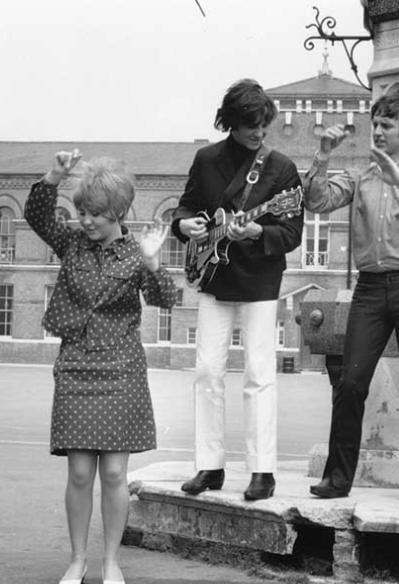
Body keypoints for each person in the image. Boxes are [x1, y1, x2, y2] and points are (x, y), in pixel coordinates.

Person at [25, 150, 177, 584]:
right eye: (81, 212)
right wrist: (54, 176)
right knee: (78, 474)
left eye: (95, 214)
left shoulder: (136, 252)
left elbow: (168, 298)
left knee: (113, 474)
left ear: (118, 213)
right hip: (76, 364)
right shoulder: (71, 243)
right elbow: (37, 215)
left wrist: (151, 260)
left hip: (121, 368)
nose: (86, 221)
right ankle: (77, 560)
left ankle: (112, 561)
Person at [303, 91, 399, 507]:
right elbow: (316, 200)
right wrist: (322, 155)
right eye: (375, 125)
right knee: (351, 383)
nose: (377, 131)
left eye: (386, 126)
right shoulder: (361, 177)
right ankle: (336, 479)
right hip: (370, 289)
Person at [173, 79, 303, 501]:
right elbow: (187, 204)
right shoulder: (206, 159)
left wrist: (257, 232)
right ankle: (209, 466)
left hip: (261, 282)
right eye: (251, 126)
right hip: (213, 279)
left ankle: (262, 471)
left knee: (259, 375)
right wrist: (183, 224)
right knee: (208, 372)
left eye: (264, 125)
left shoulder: (281, 168)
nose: (259, 133)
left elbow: (291, 231)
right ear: (231, 121)